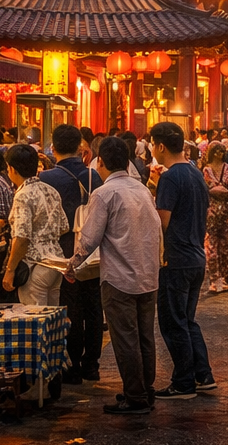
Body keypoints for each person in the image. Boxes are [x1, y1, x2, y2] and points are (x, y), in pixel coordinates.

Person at [67, 136, 162, 414]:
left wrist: (72, 265)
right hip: (147, 275)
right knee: (145, 336)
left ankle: (135, 396)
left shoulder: (105, 193)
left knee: (126, 339)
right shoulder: (141, 189)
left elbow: (89, 239)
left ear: (101, 162)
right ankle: (146, 389)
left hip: (120, 278)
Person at [150, 122, 215, 399]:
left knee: (173, 321)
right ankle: (203, 374)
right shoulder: (194, 173)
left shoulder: (171, 177)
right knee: (187, 320)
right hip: (195, 257)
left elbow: (161, 222)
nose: (153, 149)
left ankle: (184, 382)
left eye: (153, 144)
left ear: (161, 146)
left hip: (175, 258)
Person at [39, 124, 104, 384]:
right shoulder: (94, 176)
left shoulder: (45, 179)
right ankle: (92, 365)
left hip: (62, 253)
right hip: (92, 252)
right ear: (81, 147)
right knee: (93, 307)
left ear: (53, 148)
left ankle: (73, 363)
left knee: (71, 308)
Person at [2, 145, 69, 306]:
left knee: (35, 322)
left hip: (35, 266)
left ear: (12, 169)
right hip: (56, 263)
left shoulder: (23, 195)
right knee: (53, 321)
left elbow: (22, 237)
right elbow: (64, 226)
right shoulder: (50, 190)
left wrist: (10, 270)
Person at [202, 141, 228, 293]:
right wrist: (225, 191)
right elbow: (208, 189)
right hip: (211, 212)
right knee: (211, 247)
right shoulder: (205, 170)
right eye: (216, 150)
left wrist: (219, 190)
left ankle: (226, 279)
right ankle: (214, 280)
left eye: (222, 150)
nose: (219, 153)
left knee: (227, 247)